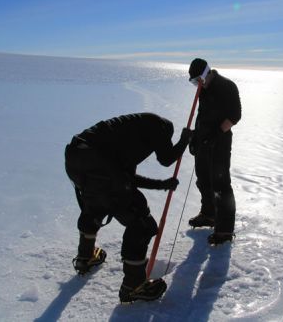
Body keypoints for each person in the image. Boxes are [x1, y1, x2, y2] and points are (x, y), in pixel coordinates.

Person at [64, 113, 192, 303]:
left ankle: (86, 257)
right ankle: (134, 285)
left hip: (75, 155)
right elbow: (166, 159)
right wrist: (184, 140)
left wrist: (161, 184)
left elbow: (124, 178)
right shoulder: (159, 128)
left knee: (96, 204)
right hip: (97, 162)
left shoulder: (131, 130)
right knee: (140, 222)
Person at [187, 58, 242, 245]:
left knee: (221, 185)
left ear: (206, 73)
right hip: (203, 141)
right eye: (193, 82)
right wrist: (194, 137)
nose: (197, 85)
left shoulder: (227, 86)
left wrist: (216, 134)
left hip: (220, 142)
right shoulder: (204, 90)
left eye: (197, 80)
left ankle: (225, 230)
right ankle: (209, 214)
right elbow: (201, 115)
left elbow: (235, 115)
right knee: (203, 180)